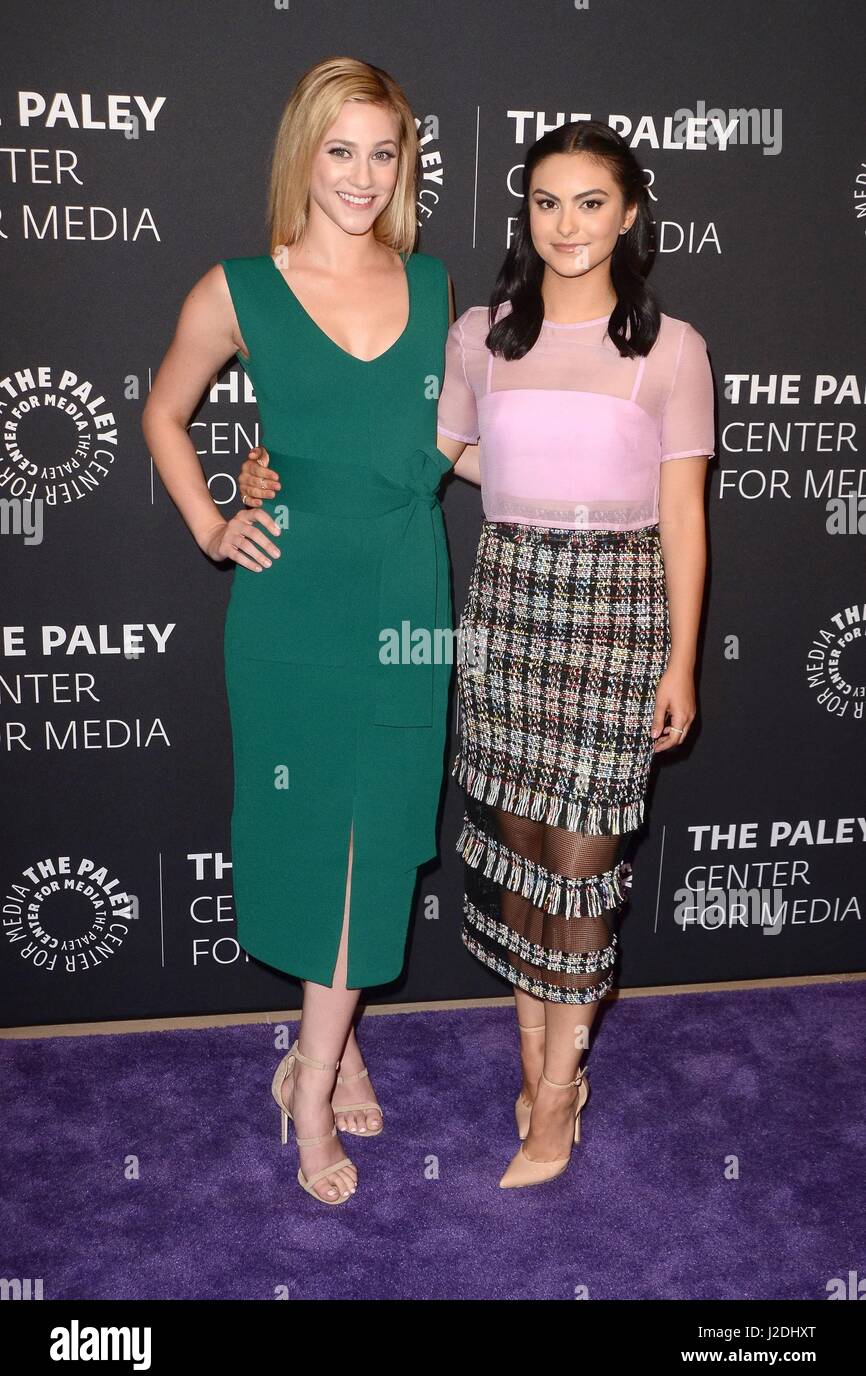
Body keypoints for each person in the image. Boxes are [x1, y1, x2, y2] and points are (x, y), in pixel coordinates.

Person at [237, 118, 714, 1190]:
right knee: (514, 855)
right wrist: (280, 470)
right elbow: (414, 463)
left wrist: (680, 662)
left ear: (629, 213)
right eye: (546, 203)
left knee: (583, 863)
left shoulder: (672, 349)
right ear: (524, 215)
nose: (567, 225)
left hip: (616, 614)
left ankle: (557, 1096)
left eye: (591, 202)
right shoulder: (480, 337)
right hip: (503, 610)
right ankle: (532, 1056)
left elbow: (683, 518)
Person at [142, 56, 474, 1206]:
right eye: (341, 150)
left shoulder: (434, 287)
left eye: (383, 152)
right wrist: (209, 521)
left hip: (407, 592)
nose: (362, 174)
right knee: (310, 833)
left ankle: (316, 1055)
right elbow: (162, 408)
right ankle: (313, 1074)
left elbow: (457, 446)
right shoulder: (238, 287)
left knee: (377, 834)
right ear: (303, 154)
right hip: (288, 602)